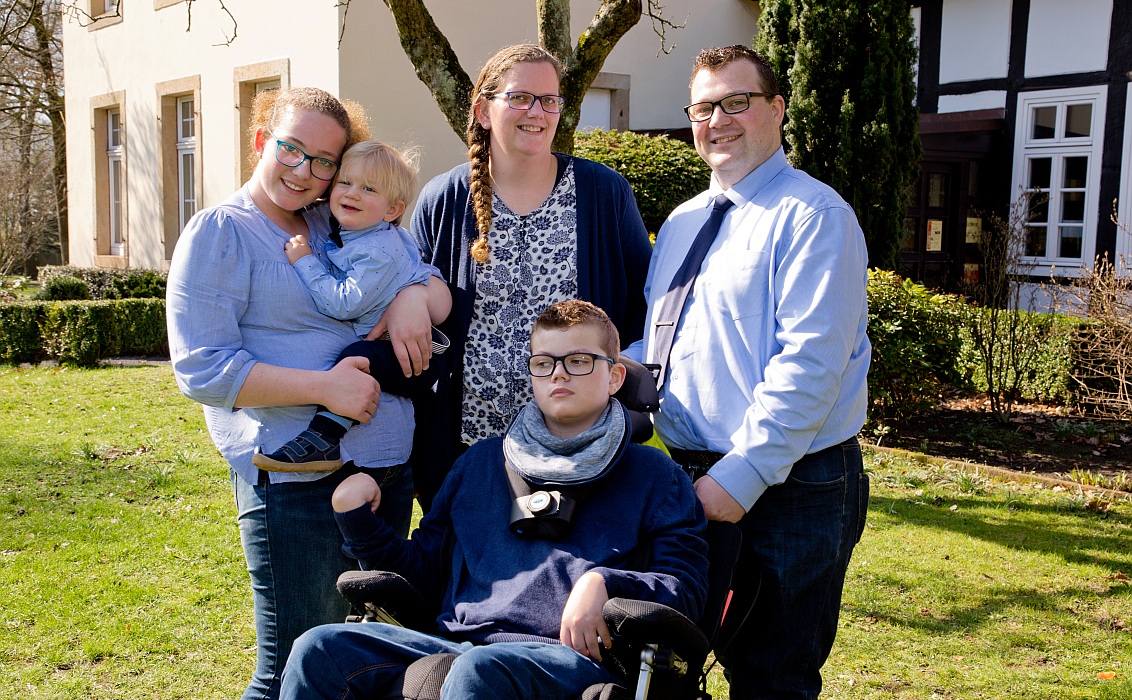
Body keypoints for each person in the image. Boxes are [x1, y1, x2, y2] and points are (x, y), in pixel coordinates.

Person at [166, 87, 449, 700]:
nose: (307, 171)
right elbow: (202, 368)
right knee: (292, 671)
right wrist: (326, 388)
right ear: (262, 140)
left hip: (383, 473)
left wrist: (411, 298)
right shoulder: (222, 231)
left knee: (363, 664)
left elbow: (415, 268)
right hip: (298, 485)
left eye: (325, 160)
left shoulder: (334, 219)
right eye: (292, 149)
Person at [277, 300, 708, 699]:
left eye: (578, 361)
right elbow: (423, 577)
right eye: (544, 363)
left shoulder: (655, 476)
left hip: (572, 660)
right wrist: (358, 521)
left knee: (479, 671)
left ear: (614, 377)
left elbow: (686, 590)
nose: (558, 374)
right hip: (456, 642)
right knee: (320, 647)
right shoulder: (480, 463)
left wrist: (606, 582)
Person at [624, 45, 871, 698]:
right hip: (686, 476)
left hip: (790, 485)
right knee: (669, 671)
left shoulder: (814, 218)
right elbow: (670, 336)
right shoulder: (681, 223)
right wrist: (603, 374)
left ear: (777, 109)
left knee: (771, 677)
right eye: (704, 106)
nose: (719, 119)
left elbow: (810, 367)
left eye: (738, 101)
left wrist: (742, 476)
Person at [400, 43, 653, 510]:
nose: (537, 111)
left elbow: (641, 309)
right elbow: (407, 293)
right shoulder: (444, 199)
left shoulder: (603, 193)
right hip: (466, 448)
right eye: (520, 97)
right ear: (482, 110)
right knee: (468, 575)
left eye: (549, 99)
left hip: (581, 449)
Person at [253, 140, 450, 473]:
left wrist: (305, 262)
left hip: (412, 354)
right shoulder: (366, 233)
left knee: (356, 360)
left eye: (368, 188)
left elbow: (343, 303)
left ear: (391, 210)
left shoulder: (378, 251)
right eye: (345, 182)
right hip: (405, 350)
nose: (352, 193)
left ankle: (322, 441)